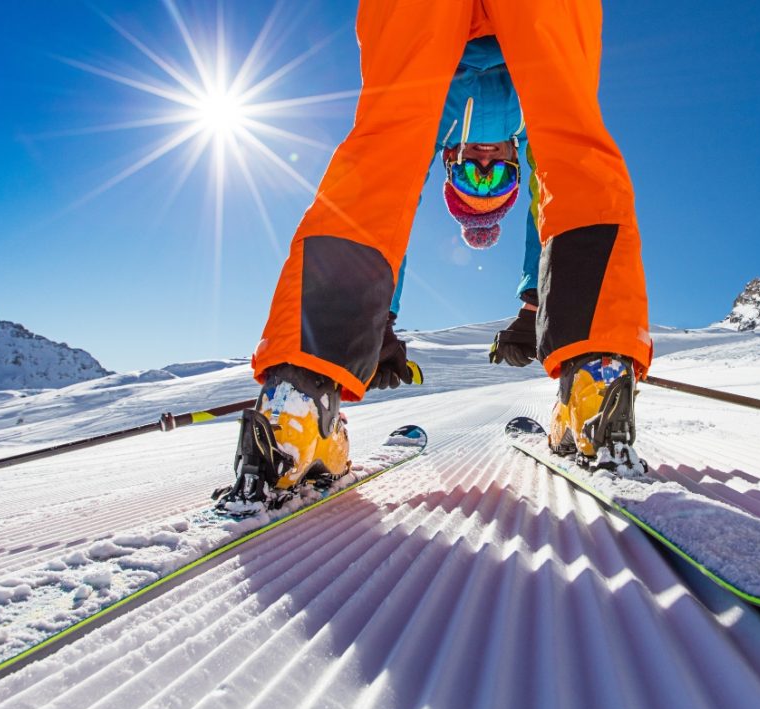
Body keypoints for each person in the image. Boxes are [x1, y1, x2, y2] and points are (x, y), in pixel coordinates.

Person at [219, 0, 652, 509]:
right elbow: (553, 183)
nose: (484, 163)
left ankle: (298, 407)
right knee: (569, 136)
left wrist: (534, 303)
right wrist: (382, 316)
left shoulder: (446, 121)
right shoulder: (512, 119)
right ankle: (595, 386)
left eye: (486, 176)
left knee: (385, 148)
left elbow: (391, 193)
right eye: (481, 175)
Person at [370, 35, 541, 391]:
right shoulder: (532, 118)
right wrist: (538, 300)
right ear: (516, 163)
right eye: (497, 177)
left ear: (449, 160)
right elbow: (549, 199)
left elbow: (392, 204)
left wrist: (376, 314)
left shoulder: (431, 121)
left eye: (471, 178)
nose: (484, 162)